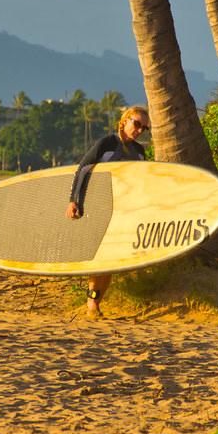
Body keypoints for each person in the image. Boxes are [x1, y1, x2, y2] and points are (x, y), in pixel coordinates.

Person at [66, 106, 151, 318]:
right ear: (125, 121)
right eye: (137, 124)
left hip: (125, 211)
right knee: (102, 259)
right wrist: (73, 201)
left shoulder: (140, 152)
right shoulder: (107, 144)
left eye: (144, 128)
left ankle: (96, 303)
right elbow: (83, 169)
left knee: (111, 262)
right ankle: (92, 304)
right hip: (100, 208)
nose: (139, 130)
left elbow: (143, 182)